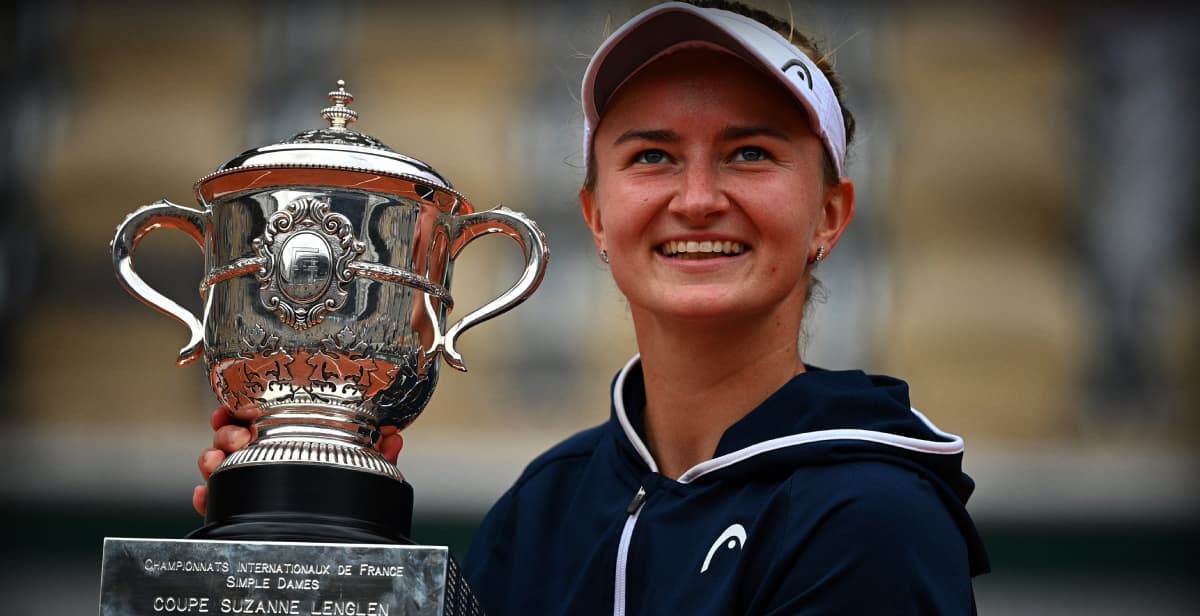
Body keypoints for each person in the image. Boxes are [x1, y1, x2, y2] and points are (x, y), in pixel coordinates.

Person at [195, 1, 990, 613]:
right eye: (652, 156)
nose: (699, 198)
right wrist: (321, 537)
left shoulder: (872, 516)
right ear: (597, 217)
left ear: (830, 214)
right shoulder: (547, 504)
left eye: (750, 152)